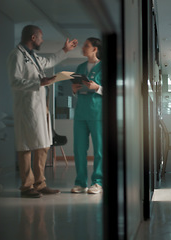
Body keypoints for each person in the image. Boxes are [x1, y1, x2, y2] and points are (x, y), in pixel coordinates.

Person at [7, 25, 78, 198]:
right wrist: (39, 83)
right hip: (26, 107)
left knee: (44, 144)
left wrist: (64, 50)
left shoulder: (34, 57)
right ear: (33, 38)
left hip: (40, 107)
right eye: (41, 37)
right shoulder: (16, 55)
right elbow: (15, 82)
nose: (42, 40)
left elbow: (51, 61)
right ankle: (26, 186)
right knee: (26, 146)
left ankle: (40, 184)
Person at [70, 37, 103, 194]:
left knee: (99, 150)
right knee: (79, 149)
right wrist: (74, 90)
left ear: (95, 49)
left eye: (86, 45)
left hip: (97, 112)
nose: (83, 48)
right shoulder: (80, 67)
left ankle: (97, 182)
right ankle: (80, 182)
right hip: (80, 113)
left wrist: (97, 87)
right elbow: (75, 88)